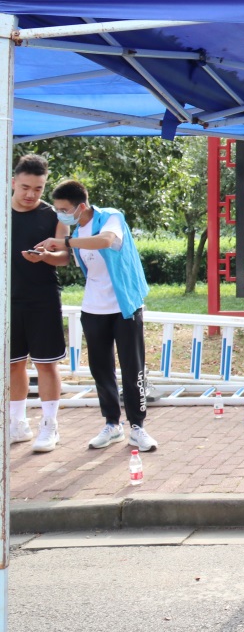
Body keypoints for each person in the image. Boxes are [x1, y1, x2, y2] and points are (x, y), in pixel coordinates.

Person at [39, 180, 156, 452]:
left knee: (133, 369)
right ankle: (112, 424)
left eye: (64, 210)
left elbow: (106, 241)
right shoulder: (77, 231)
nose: (61, 215)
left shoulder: (111, 217)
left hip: (124, 307)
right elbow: (73, 259)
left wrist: (65, 241)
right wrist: (44, 255)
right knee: (101, 370)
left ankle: (138, 427)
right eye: (57, 210)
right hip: (93, 309)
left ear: (81, 206)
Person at [9, 154, 71, 452]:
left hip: (42, 298)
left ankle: (49, 426)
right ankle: (17, 424)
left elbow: (65, 256)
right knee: (12, 364)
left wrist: (46, 256)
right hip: (8, 300)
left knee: (46, 364)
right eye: (25, 187)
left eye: (38, 188)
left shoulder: (54, 215)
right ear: (13, 182)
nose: (31, 194)